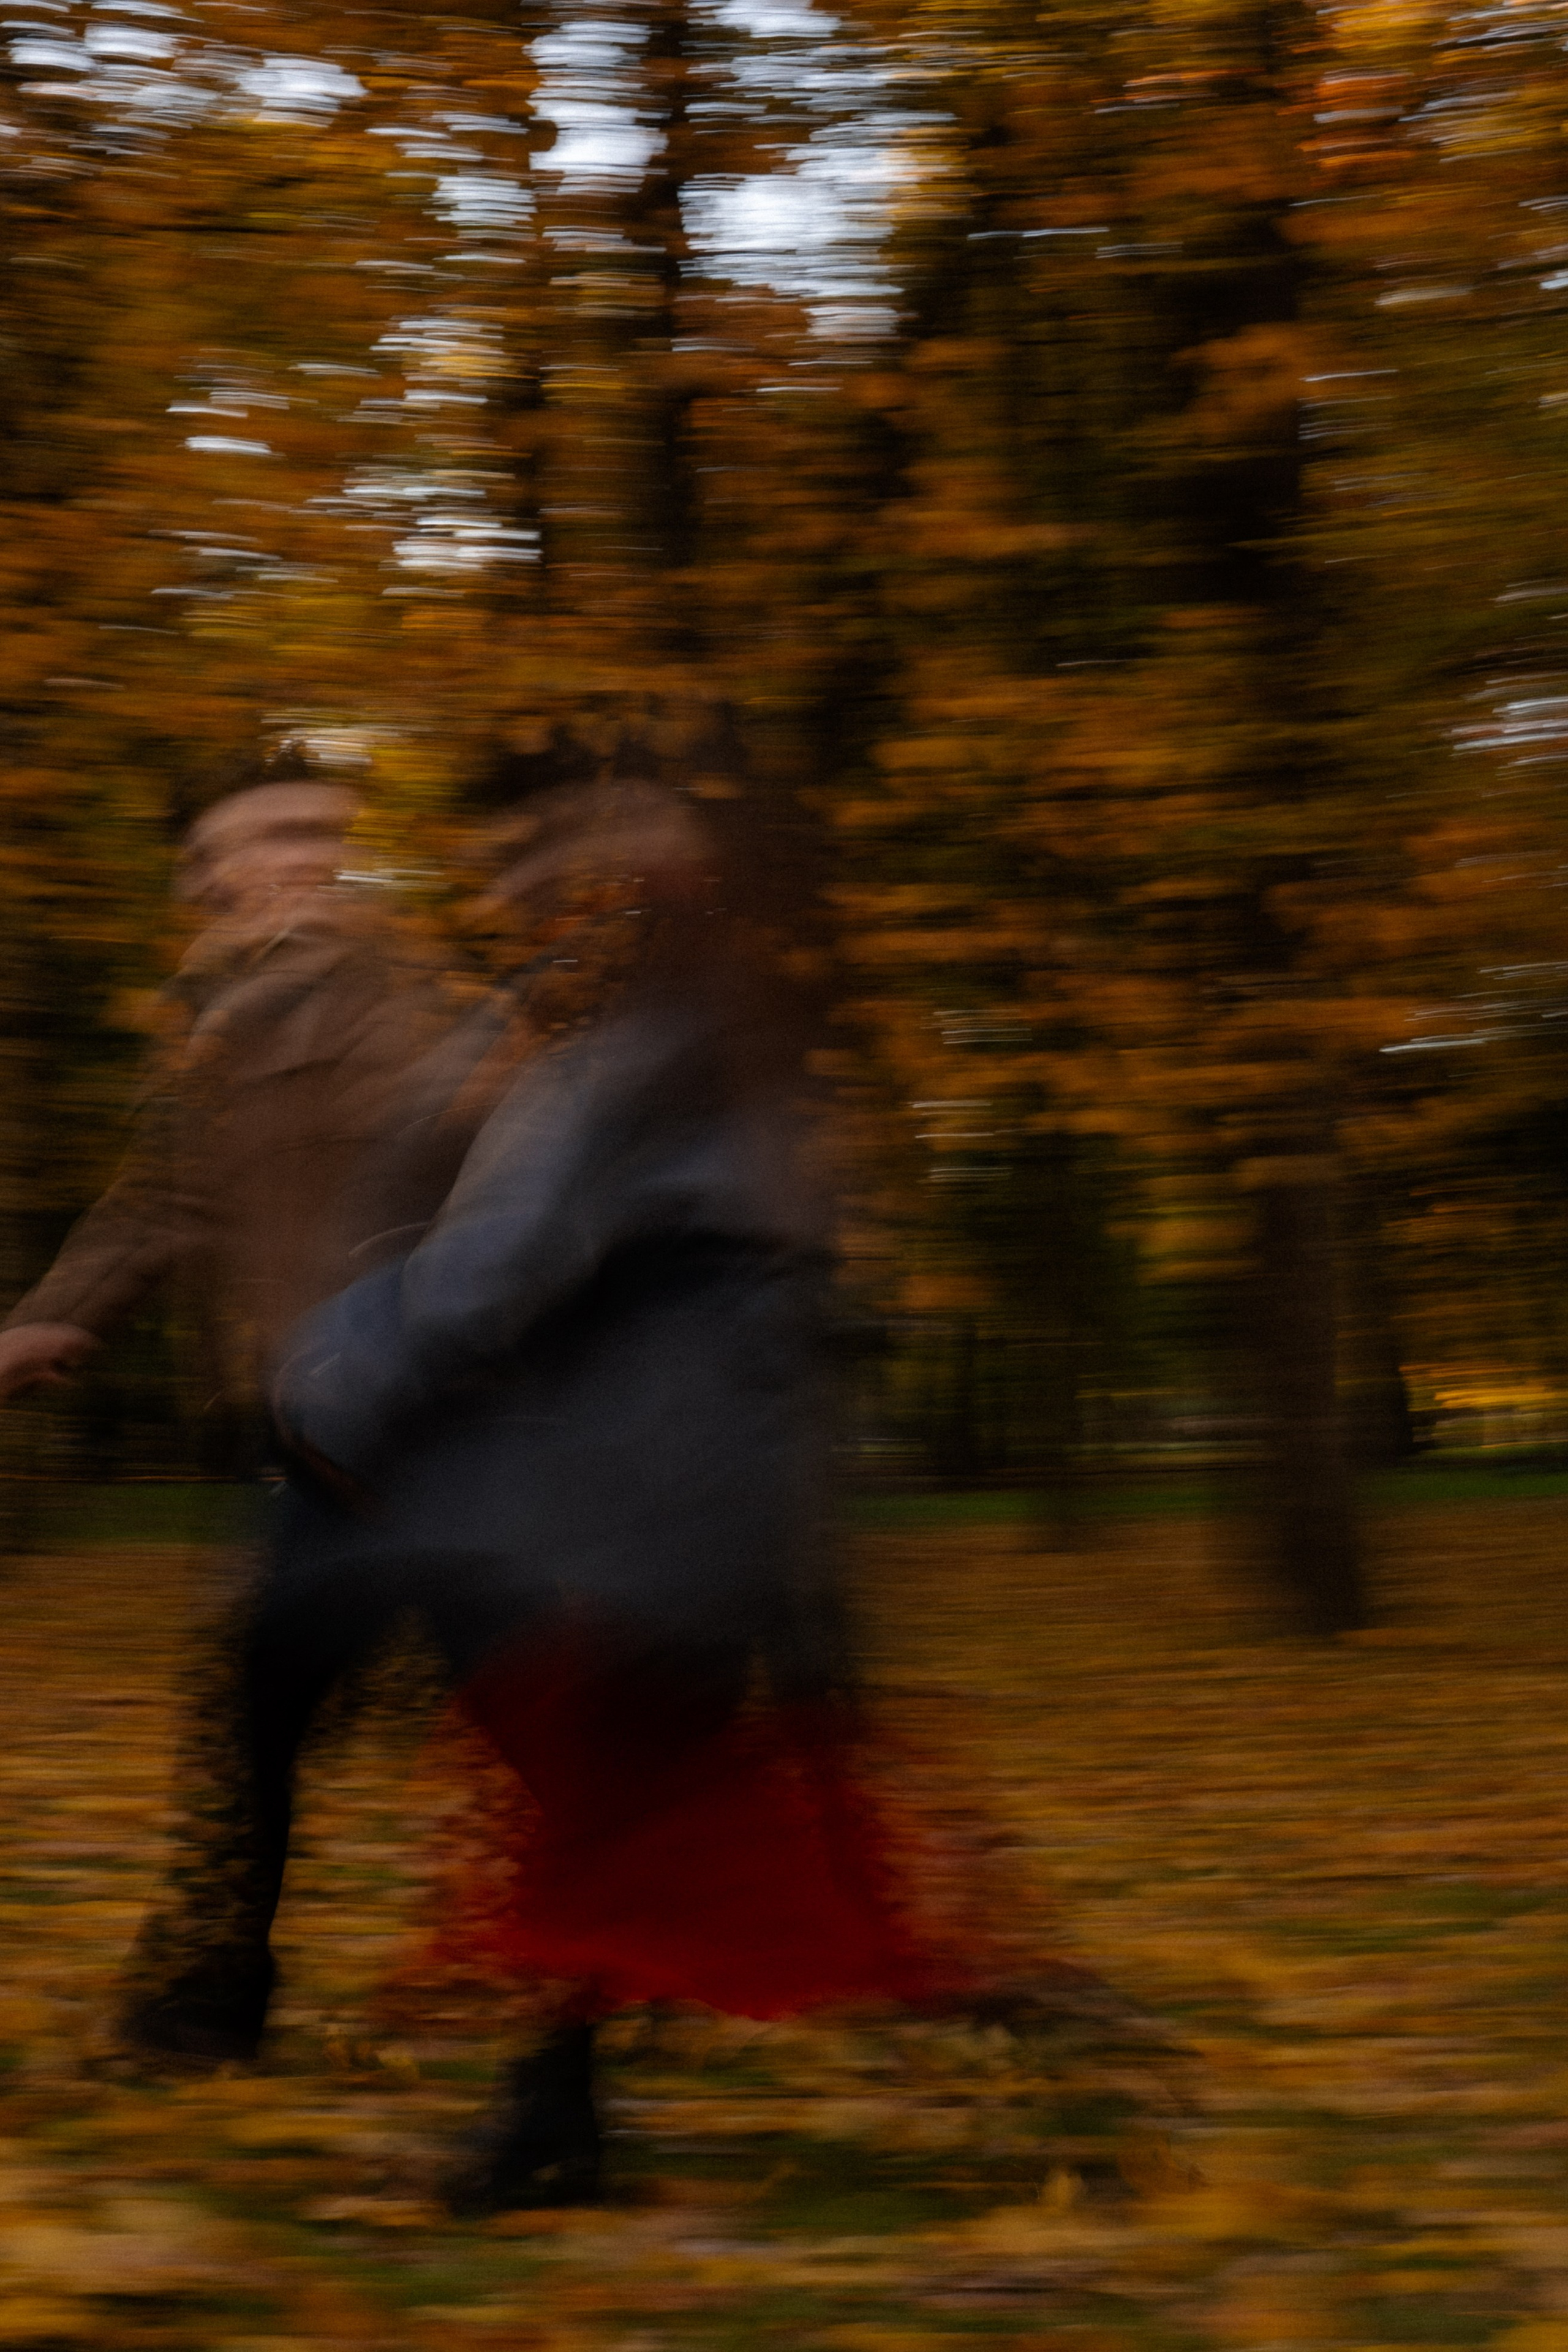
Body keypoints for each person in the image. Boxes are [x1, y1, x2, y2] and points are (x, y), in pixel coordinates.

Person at [270, 780, 978, 2211]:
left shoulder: (619, 1067)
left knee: (580, 1789)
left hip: (622, 1493)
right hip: (740, 1494)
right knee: (626, 1800)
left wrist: (331, 1393)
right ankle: (563, 2112)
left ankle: (560, 2117)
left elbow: (491, 1272)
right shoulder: (777, 1073)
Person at [0, 748, 477, 2061]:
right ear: (200, 874)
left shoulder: (408, 994)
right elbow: (163, 1202)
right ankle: (213, 1999)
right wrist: (47, 1321)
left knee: (518, 1724)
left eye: (320, 830)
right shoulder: (215, 1028)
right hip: (318, 1436)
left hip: (450, 1428)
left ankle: (586, 2020)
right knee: (257, 1707)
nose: (301, 856)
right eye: (266, 835)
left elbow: (477, 1141)